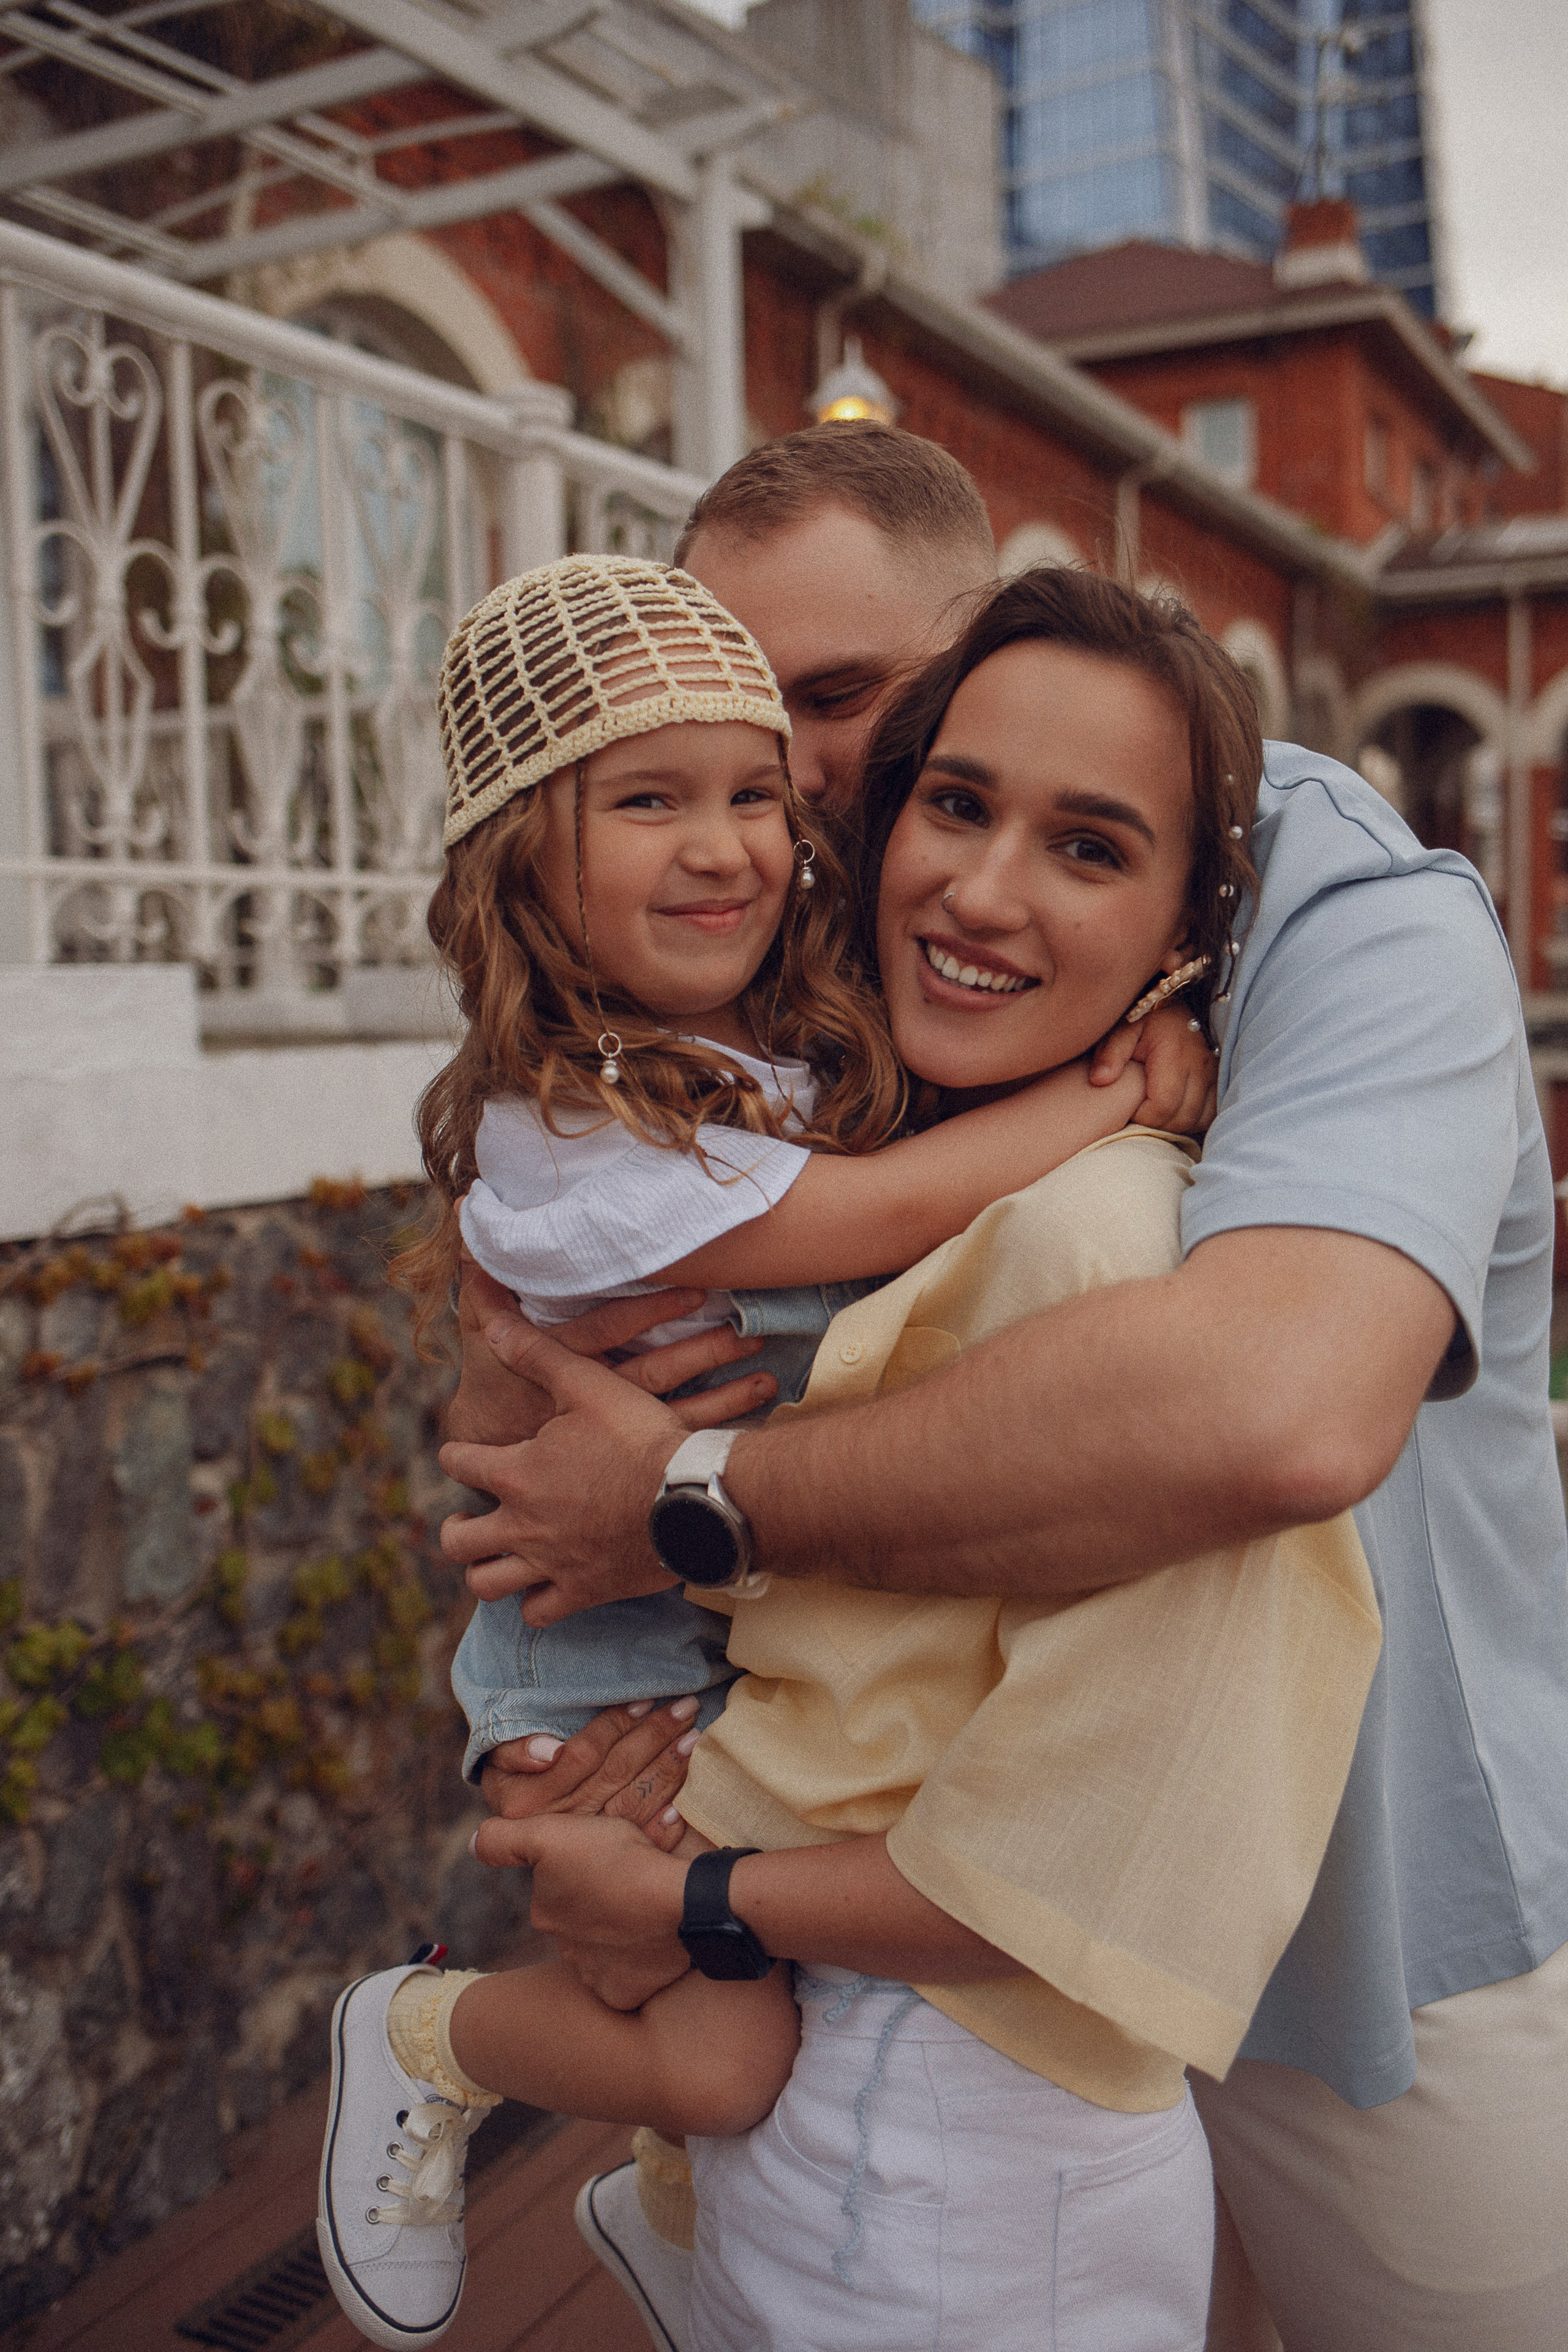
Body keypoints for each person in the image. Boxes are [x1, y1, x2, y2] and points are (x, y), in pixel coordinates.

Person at [442, 426, 1568, 2352]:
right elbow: (552, 1339)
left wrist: (687, 1492)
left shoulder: (1352, 911)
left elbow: (1278, 1414)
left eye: (839, 701)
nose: (788, 783)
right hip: (922, 1863)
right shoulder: (818, 910)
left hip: (1355, 1906)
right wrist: (580, 1625)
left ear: (999, 640)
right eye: (736, 710)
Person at [316, 551, 1218, 2350]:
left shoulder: (772, 1047)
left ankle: (663, 2219)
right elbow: (874, 1209)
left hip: (733, 1618)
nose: (727, 845)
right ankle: (418, 2035)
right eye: (647, 802)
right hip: (605, 1659)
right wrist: (1113, 1087)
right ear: (519, 860)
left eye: (752, 794)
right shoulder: (564, 1130)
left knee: (737, 2001)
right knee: (723, 2052)